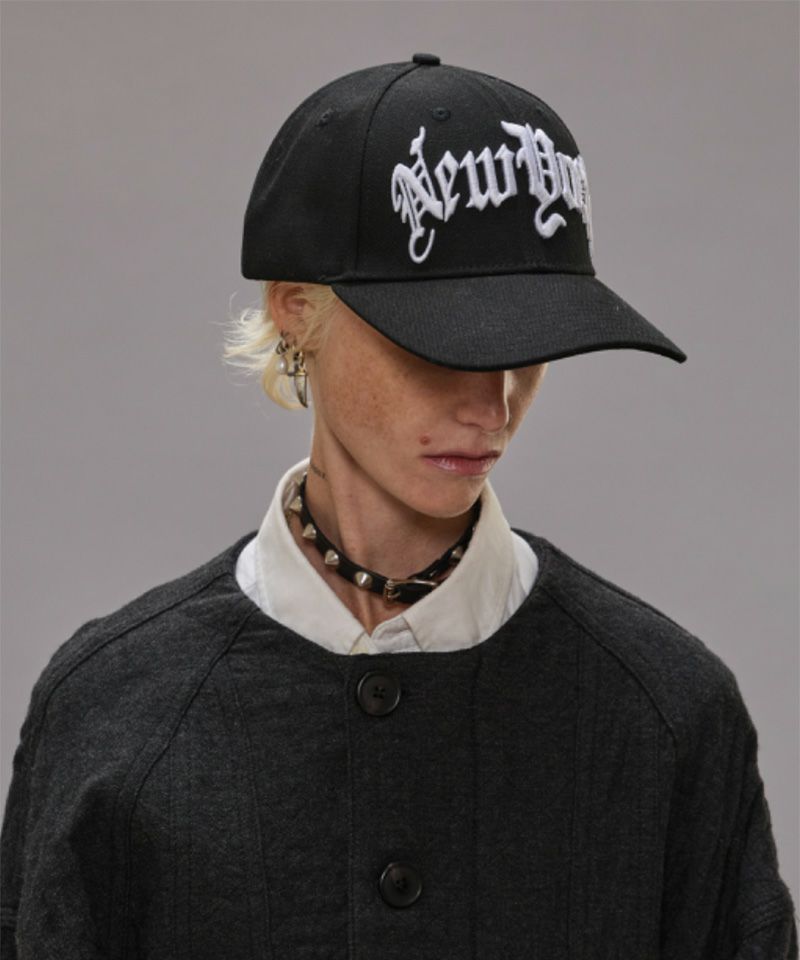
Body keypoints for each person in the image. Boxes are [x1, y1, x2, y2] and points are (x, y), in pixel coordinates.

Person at [1, 53, 796, 959]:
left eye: (530, 347)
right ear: (296, 310)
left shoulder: (668, 715)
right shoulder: (114, 709)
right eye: (441, 344)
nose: (492, 406)